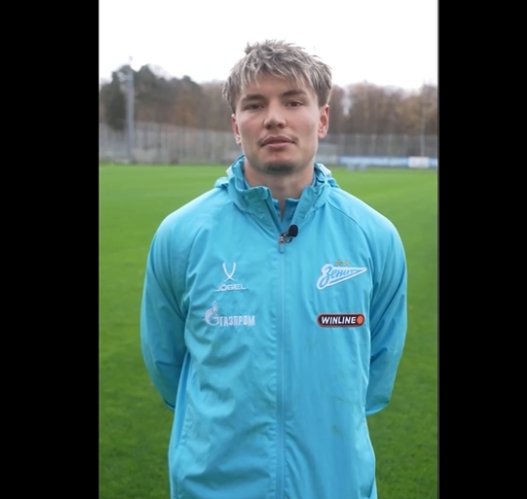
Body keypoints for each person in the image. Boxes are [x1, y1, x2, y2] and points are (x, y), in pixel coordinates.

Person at [140, 39, 407, 499]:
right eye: (255, 104)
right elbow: (168, 364)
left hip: (335, 485)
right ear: (235, 124)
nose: (274, 118)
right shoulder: (181, 235)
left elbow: (376, 371)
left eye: (294, 101)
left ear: (322, 118)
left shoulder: (374, 237)